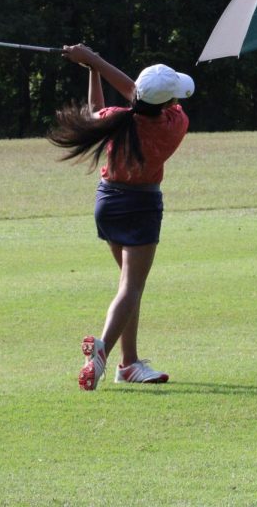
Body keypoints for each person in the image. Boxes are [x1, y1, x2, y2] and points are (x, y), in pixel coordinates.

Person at [48, 44, 194, 390]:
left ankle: (129, 364)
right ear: (170, 104)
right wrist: (94, 61)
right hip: (141, 206)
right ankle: (103, 352)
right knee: (132, 287)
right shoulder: (175, 123)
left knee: (128, 289)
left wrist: (93, 67)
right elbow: (137, 96)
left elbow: (97, 109)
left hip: (108, 202)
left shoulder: (117, 119)